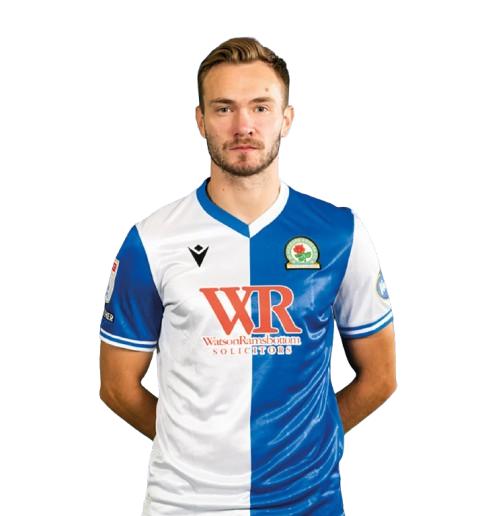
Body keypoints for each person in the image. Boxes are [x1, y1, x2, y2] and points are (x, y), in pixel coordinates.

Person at [99, 36, 397, 515]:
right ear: (200, 121)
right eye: (224, 109)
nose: (243, 126)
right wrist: (192, 451)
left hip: (309, 502)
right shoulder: (151, 240)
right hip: (183, 504)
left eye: (260, 107)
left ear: (287, 119)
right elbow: (117, 387)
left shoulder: (341, 232)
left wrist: (311, 446)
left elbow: (381, 377)